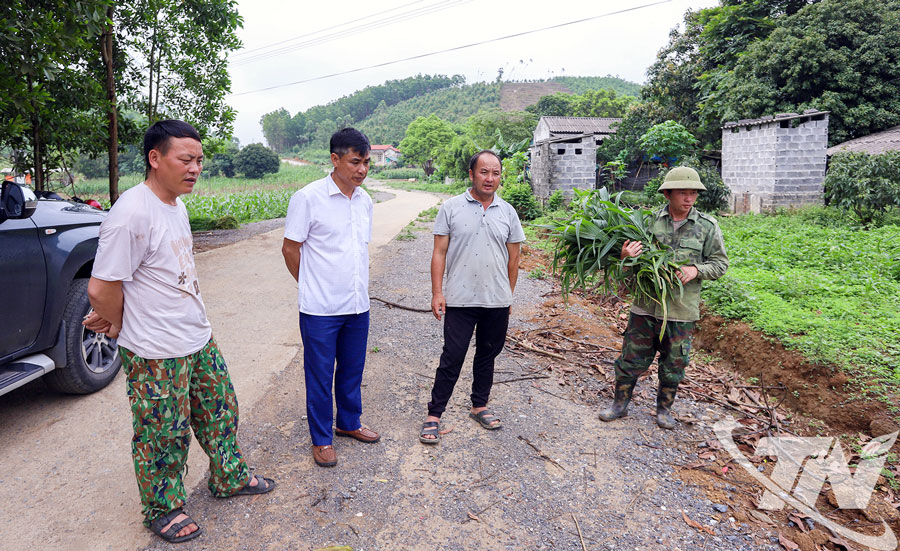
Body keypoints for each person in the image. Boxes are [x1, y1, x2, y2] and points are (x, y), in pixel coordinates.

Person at [84, 120, 275, 544]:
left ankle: (229, 477)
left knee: (220, 409)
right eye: (186, 159)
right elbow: (101, 286)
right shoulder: (131, 212)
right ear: (155, 158)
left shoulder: (175, 203)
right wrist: (115, 321)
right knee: (163, 431)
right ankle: (163, 507)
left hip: (196, 335)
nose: (195, 168)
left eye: (199, 160)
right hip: (155, 349)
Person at [598, 166, 728, 429]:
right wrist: (625, 258)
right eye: (683, 193)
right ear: (668, 193)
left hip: (681, 310)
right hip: (646, 307)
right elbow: (626, 268)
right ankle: (619, 405)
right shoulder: (647, 222)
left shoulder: (707, 227)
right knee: (631, 359)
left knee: (674, 364)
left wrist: (695, 270)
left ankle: (664, 410)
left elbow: (720, 265)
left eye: (693, 193)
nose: (689, 199)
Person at [281, 127, 379, 468]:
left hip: (357, 305)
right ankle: (321, 438)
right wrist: (309, 284)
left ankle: (349, 423)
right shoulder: (308, 198)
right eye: (355, 162)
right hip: (320, 309)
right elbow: (290, 248)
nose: (362, 169)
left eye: (366, 162)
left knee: (352, 370)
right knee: (320, 375)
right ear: (335, 160)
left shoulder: (365, 201)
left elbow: (358, 250)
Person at [419, 150, 525, 444]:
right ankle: (434, 415)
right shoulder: (451, 208)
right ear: (471, 174)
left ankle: (479, 406)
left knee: (487, 355)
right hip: (460, 300)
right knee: (452, 357)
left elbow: (514, 260)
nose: (490, 178)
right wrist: (437, 292)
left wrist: (507, 297)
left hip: (496, 301)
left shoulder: (508, 212)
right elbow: (439, 253)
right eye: (484, 172)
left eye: (496, 173)